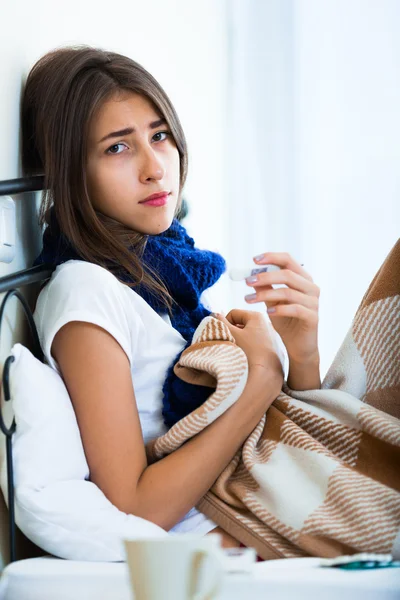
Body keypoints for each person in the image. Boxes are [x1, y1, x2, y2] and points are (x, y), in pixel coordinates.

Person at [22, 45, 321, 550]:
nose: (155, 168)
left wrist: (303, 351)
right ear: (71, 173)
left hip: (274, 486)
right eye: (118, 147)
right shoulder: (85, 290)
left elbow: (295, 433)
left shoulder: (166, 271)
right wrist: (262, 380)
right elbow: (134, 507)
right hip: (230, 524)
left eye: (159, 136)